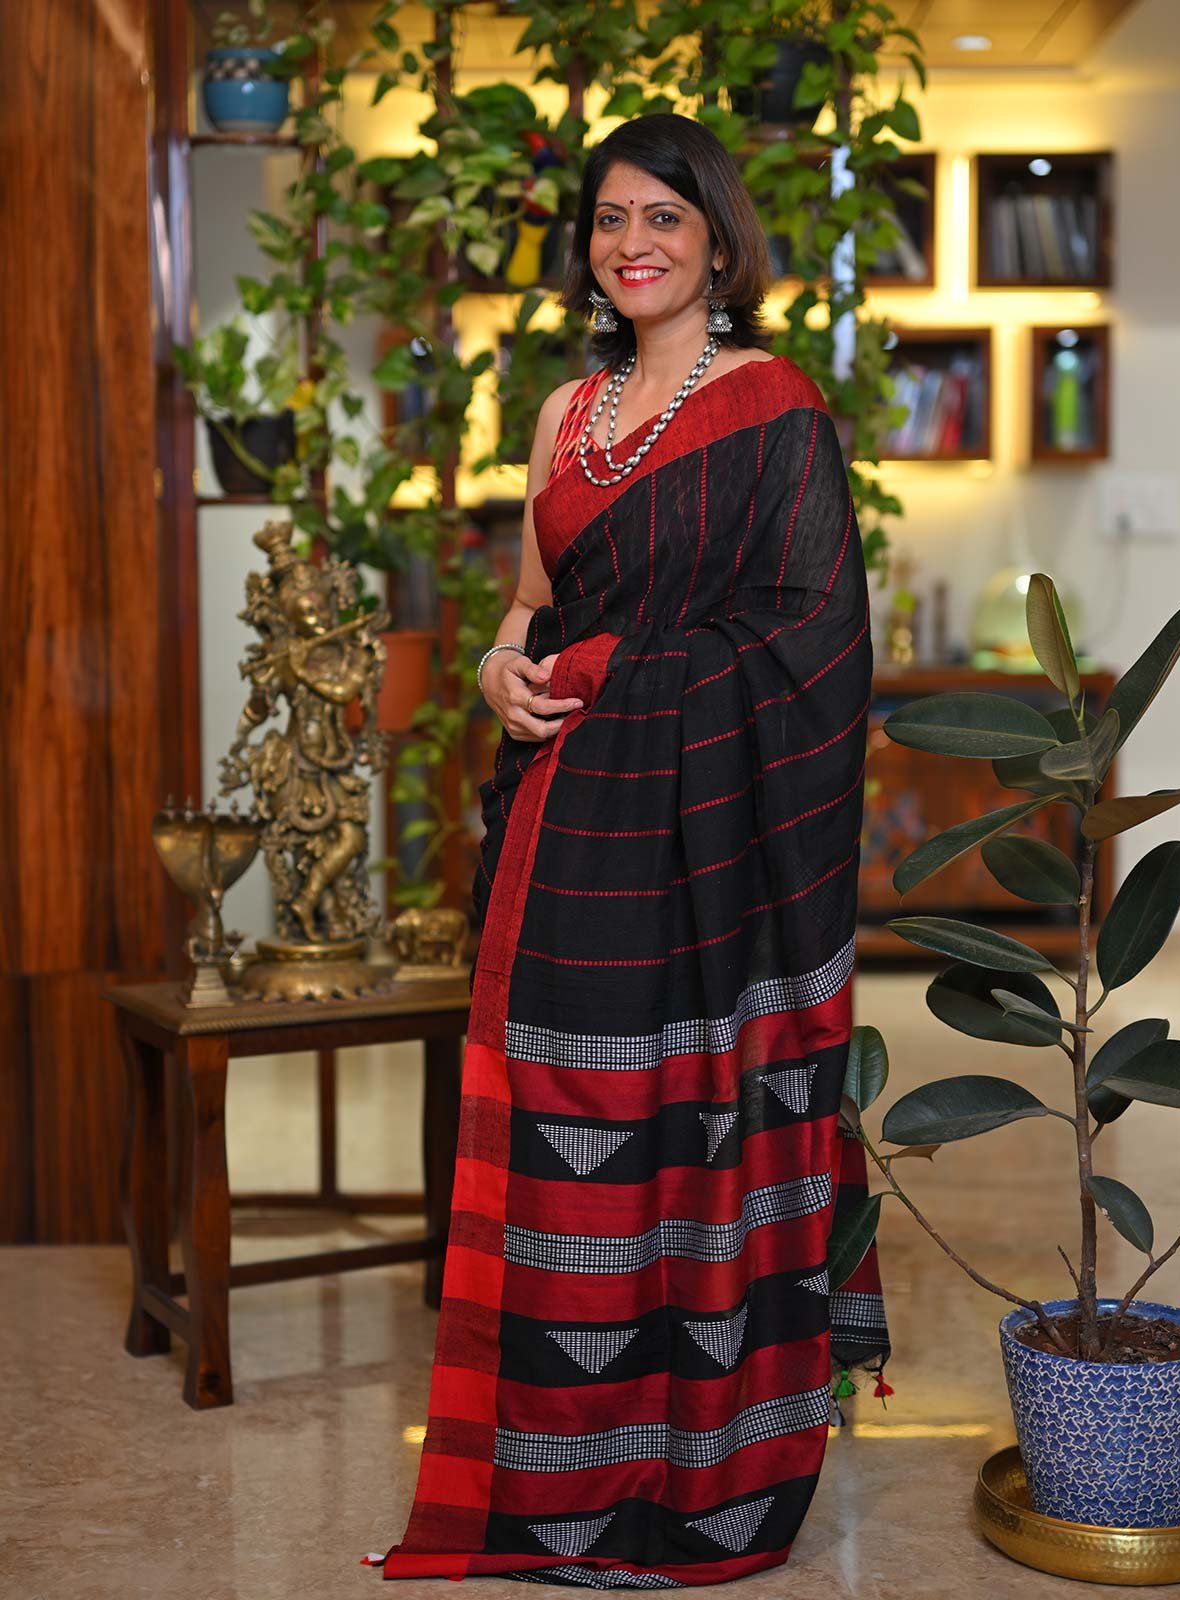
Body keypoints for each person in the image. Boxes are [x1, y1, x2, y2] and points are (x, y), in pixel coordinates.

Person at [370, 111, 890, 1588]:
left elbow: (817, 640)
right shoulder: (564, 413)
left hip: (711, 856)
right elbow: (535, 604)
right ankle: (563, 1484)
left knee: (694, 1129)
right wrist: (498, 668)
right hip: (566, 834)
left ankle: (705, 1484)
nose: (633, 243)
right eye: (610, 219)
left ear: (719, 242)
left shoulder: (774, 407)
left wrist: (633, 679)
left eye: (664, 216)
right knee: (567, 1129)